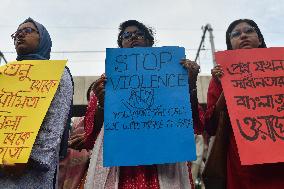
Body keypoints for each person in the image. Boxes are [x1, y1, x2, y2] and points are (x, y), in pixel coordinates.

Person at [69, 20, 203, 189]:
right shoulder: (107, 80)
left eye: (139, 34)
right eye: (126, 36)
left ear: (149, 42)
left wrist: (190, 84)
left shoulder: (171, 75)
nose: (133, 38)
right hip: (120, 162)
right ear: (121, 46)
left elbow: (191, 122)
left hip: (163, 157)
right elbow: (92, 133)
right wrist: (103, 103)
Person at [204, 18, 284, 189]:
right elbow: (211, 126)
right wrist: (228, 84)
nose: (243, 36)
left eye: (249, 31)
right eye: (236, 34)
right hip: (243, 166)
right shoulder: (220, 77)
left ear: (260, 39)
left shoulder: (280, 69)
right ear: (230, 44)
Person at [0, 18, 73, 189]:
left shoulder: (58, 74)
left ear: (43, 39)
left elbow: (55, 123)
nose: (20, 35)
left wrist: (28, 159)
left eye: (28, 31)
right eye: (17, 33)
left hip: (32, 170)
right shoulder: (5, 75)